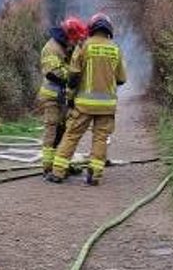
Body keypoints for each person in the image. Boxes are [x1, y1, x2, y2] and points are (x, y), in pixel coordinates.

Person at [47, 12, 126, 186]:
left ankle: (58, 172)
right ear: (109, 30)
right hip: (107, 106)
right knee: (100, 138)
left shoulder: (84, 46)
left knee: (72, 135)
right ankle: (94, 175)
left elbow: (74, 75)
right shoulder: (115, 49)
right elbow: (121, 79)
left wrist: (71, 95)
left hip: (84, 105)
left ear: (91, 28)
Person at [37, 17, 88, 175]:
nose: (76, 42)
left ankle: (61, 163)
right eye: (75, 38)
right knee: (52, 132)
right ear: (69, 34)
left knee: (64, 132)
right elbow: (53, 73)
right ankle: (48, 168)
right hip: (52, 97)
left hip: (62, 98)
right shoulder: (51, 48)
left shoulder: (65, 46)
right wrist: (74, 75)